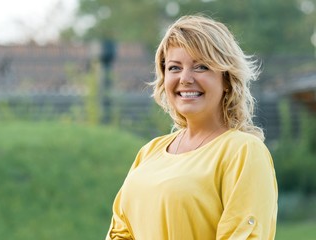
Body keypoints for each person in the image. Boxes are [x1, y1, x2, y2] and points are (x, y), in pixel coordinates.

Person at [105, 14, 277, 240]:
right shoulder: (149, 153)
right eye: (175, 68)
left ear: (226, 79)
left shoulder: (243, 152)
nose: (185, 78)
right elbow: (120, 231)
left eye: (201, 67)